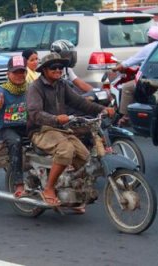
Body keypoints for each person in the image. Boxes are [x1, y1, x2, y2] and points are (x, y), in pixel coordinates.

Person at [26, 52, 114, 208]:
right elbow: (35, 113)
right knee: (66, 150)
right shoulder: (36, 87)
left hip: (60, 129)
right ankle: (49, 188)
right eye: (54, 67)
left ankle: (73, 189)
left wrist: (103, 109)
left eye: (61, 67)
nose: (58, 70)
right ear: (45, 70)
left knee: (85, 158)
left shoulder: (62, 85)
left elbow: (80, 103)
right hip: (41, 130)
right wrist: (55, 119)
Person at [0, 55, 28, 197]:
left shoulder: (30, 88)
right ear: (8, 74)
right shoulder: (1, 91)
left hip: (25, 126)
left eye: (22, 71)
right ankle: (18, 183)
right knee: (16, 142)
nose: (19, 75)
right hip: (5, 129)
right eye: (15, 72)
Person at [112, 25, 158, 126]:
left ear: (149, 38)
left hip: (151, 79)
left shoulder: (148, 47)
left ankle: (125, 117)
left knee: (127, 87)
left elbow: (131, 61)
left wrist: (117, 67)